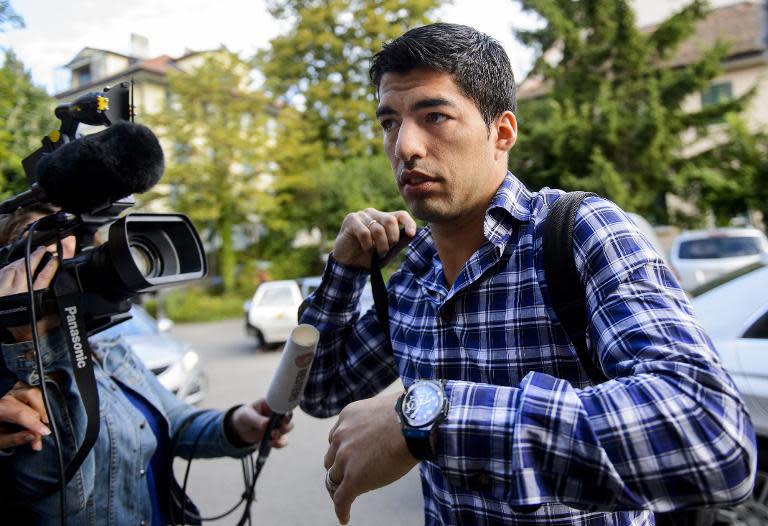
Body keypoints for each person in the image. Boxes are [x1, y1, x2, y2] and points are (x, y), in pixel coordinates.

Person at [298, 23, 756, 525]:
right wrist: (343, 271)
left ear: (502, 132)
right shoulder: (412, 278)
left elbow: (712, 434)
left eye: (434, 115)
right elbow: (321, 390)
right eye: (389, 122)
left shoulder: (579, 232)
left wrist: (431, 419)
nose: (405, 145)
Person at [0, 203, 294, 525]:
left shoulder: (104, 344)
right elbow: (68, 503)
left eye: (79, 245)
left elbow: (174, 421)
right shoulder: (13, 378)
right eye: (50, 252)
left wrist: (237, 425)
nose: (70, 263)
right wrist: (34, 343)